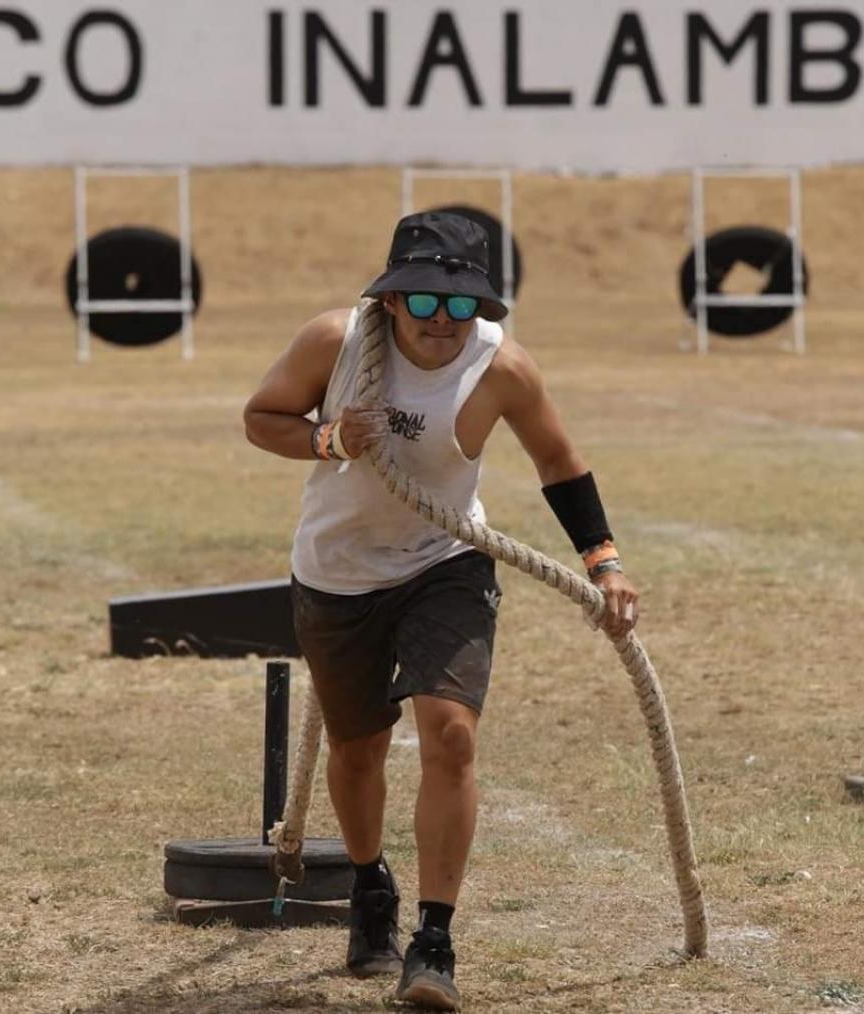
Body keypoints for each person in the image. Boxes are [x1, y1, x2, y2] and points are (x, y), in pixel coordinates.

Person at [243, 211, 639, 1011]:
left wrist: (605, 562)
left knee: (451, 734)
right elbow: (261, 418)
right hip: (338, 572)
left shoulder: (502, 368)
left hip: (445, 561)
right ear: (391, 299)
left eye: (461, 304)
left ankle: (434, 939)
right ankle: (369, 886)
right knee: (358, 751)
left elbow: (559, 461)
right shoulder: (335, 342)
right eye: (423, 300)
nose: (441, 320)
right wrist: (329, 441)